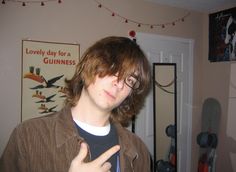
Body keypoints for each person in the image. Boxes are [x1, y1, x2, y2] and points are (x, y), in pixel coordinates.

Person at [0, 36, 151, 172]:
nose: (119, 84)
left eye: (130, 80)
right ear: (90, 65)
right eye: (114, 69)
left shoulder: (139, 151)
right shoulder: (28, 136)